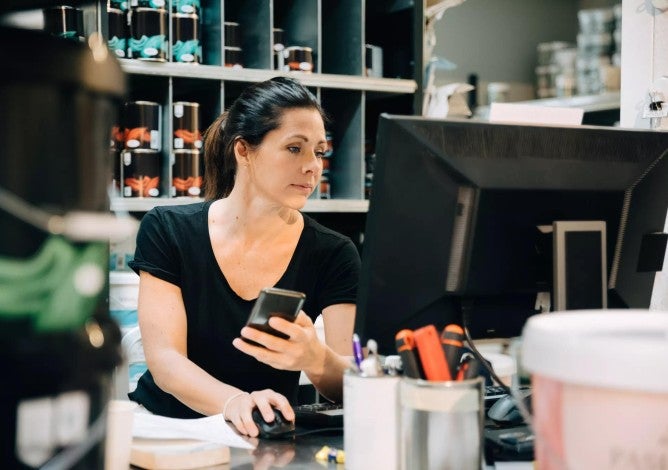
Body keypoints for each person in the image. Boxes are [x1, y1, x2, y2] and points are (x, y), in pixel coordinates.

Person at [127, 77, 360, 437]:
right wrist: (234, 402)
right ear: (244, 150)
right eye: (295, 148)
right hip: (167, 429)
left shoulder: (333, 252)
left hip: (263, 438)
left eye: (319, 151)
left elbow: (351, 385)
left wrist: (317, 358)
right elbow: (166, 362)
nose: (313, 166)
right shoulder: (168, 229)